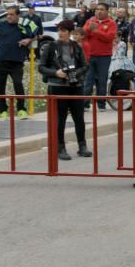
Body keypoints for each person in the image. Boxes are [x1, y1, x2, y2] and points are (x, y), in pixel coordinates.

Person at [38, 20, 92, 161]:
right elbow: (41, 67)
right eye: (59, 30)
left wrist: (75, 73)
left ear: (70, 32)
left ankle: (82, 145)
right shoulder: (51, 46)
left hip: (75, 86)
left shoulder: (76, 47)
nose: (60, 33)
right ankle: (60, 147)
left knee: (79, 117)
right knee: (59, 119)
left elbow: (85, 66)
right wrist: (56, 73)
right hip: (57, 86)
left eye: (63, 30)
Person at [0, 5, 33, 119]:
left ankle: (21, 110)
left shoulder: (24, 25)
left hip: (17, 62)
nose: (9, 16)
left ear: (18, 15)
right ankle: (2, 110)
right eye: (7, 14)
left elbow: (37, 35)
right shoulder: (0, 25)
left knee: (18, 84)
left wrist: (28, 39)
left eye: (12, 14)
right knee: (0, 87)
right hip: (0, 60)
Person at [82, 2, 117, 110]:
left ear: (107, 11)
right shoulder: (90, 21)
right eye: (97, 9)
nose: (98, 11)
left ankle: (101, 104)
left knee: (101, 80)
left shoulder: (111, 23)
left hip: (104, 56)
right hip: (90, 56)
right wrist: (89, 29)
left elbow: (109, 37)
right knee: (88, 80)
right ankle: (85, 104)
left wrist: (96, 31)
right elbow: (82, 35)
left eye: (101, 9)